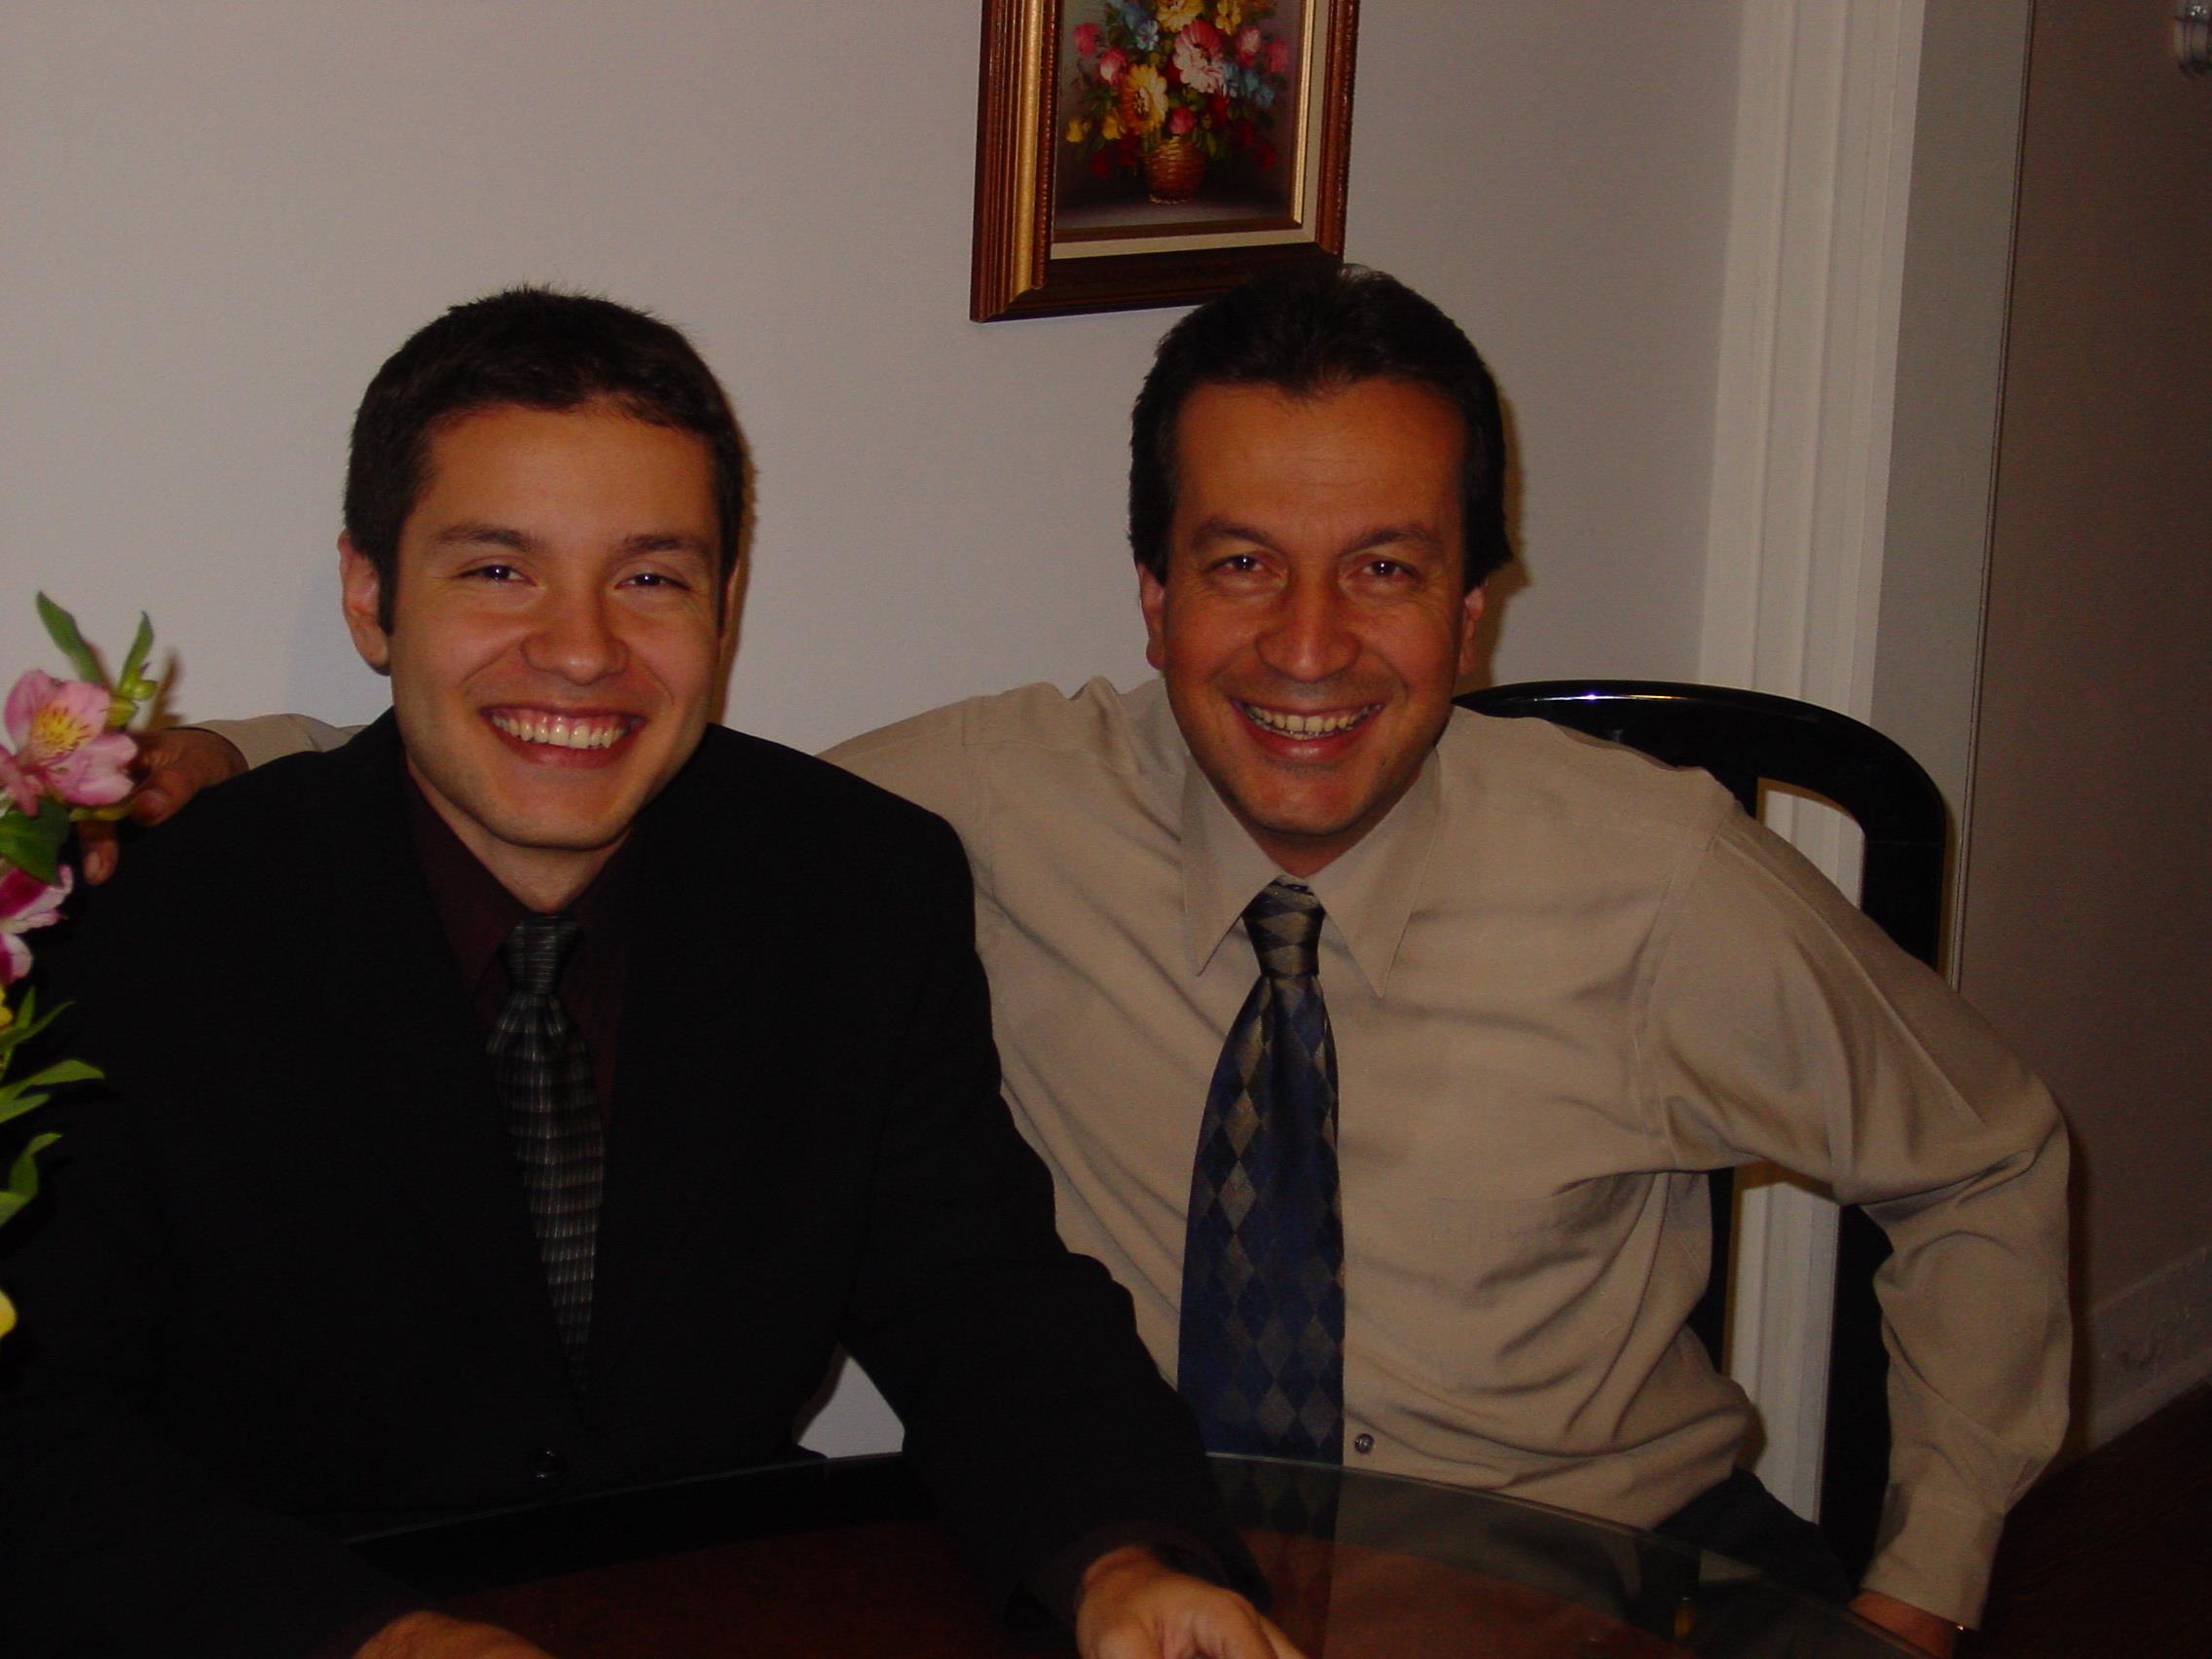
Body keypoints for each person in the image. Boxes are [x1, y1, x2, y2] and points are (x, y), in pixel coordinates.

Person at [105, 268, 2070, 1657]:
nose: (1304, 647)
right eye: (1237, 563)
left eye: (1382, 568)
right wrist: (199, 776)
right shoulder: (956, 813)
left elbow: (1985, 1156)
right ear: (1150, 593)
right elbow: (568, 764)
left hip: (1587, 1561)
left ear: (1470, 612)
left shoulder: (1657, 877)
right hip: (1143, 1552)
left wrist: (1912, 1591)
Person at [0, 289, 1298, 1659]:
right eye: (499, 570)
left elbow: (983, 1303)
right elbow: (36, 1431)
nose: (581, 648)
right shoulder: (147, 924)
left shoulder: (853, 888)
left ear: (726, 606)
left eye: (652, 577)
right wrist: (370, 1639)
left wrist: (1119, 1559)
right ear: (370, 595)